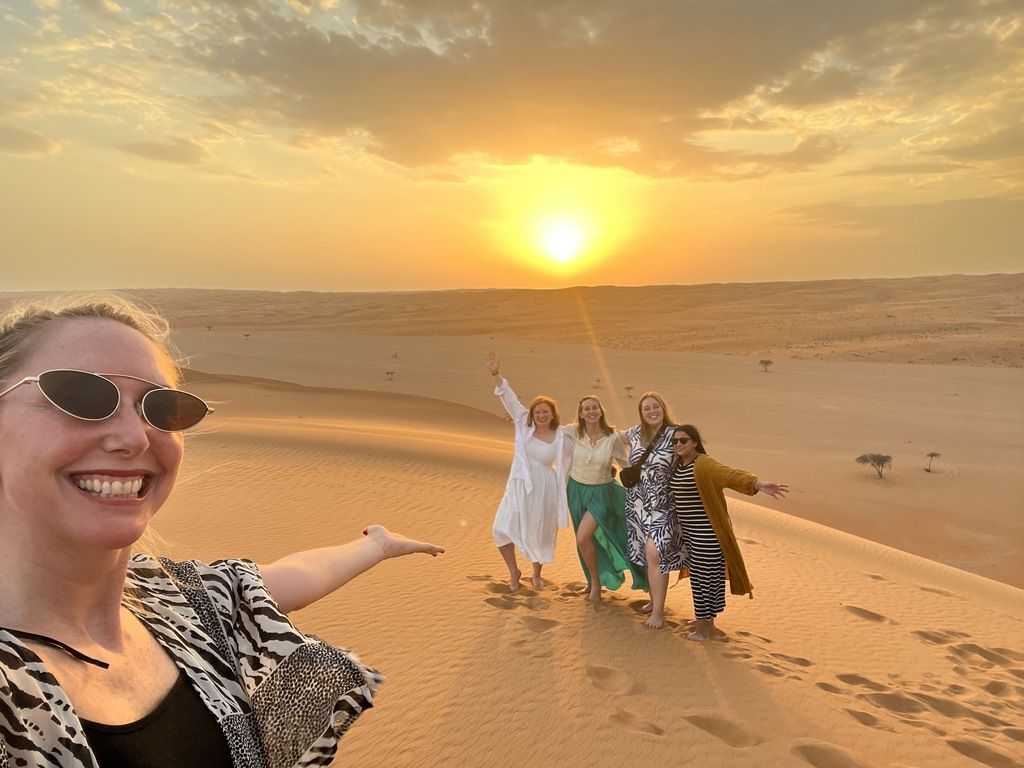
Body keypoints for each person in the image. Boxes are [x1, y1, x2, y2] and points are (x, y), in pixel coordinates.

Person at [0, 296, 444, 767]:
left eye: (164, 409)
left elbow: (293, 576)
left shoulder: (180, 602)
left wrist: (376, 544)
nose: (133, 438)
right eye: (80, 396)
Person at [668, 424, 788, 642]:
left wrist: (757, 483)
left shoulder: (704, 464)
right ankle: (706, 622)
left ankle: (704, 629)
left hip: (707, 534)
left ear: (695, 442)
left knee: (704, 580)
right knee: (702, 578)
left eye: (683, 440)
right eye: (674, 441)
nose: (678, 444)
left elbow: (729, 474)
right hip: (690, 535)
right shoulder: (678, 465)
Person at [486, 352, 571, 592]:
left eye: (546, 412)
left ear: (553, 414)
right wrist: (495, 374)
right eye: (538, 412)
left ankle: (536, 573)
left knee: (540, 531)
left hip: (545, 487)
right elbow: (508, 397)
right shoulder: (523, 423)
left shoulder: (563, 435)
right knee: (500, 529)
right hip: (519, 484)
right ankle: (514, 570)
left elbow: (587, 442)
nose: (541, 415)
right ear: (532, 414)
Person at [565, 395, 647, 601]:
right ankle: (593, 581)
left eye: (595, 407)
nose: (591, 411)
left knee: (583, 537)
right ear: (581, 414)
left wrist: (644, 486)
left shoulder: (612, 437)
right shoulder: (573, 431)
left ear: (601, 411)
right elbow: (545, 428)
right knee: (585, 541)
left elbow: (625, 464)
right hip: (575, 491)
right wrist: (521, 422)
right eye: (586, 409)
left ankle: (597, 586)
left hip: (602, 493)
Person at [624, 392, 685, 629]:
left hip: (665, 504)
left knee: (655, 554)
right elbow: (602, 435)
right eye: (646, 408)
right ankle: (653, 601)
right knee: (644, 554)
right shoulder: (633, 433)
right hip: (638, 503)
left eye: (655, 406)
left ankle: (658, 612)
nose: (651, 411)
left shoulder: (676, 434)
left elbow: (696, 458)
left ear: (663, 407)